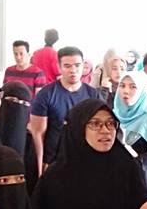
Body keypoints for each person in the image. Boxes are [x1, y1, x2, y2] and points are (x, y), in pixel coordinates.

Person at [29, 46, 100, 174]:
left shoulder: (93, 95)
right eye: (67, 66)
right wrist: (39, 170)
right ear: (59, 67)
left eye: (77, 65)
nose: (73, 70)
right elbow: (38, 135)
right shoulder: (46, 95)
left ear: (83, 65)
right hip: (54, 163)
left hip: (86, 161)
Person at [114, 72, 147, 197]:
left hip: (141, 175)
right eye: (122, 86)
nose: (126, 91)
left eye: (133, 87)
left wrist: (135, 162)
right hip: (115, 174)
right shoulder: (112, 114)